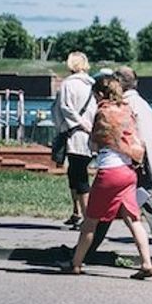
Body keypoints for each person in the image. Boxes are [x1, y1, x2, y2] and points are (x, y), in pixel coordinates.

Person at [64, 75, 152, 279]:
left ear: (99, 94)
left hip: (109, 172)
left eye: (95, 96)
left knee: (90, 221)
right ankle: (147, 263)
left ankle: (76, 264)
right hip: (128, 172)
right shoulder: (127, 110)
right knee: (134, 220)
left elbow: (95, 143)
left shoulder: (103, 112)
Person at [87, 67, 152, 271]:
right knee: (125, 209)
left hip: (135, 163)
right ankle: (88, 249)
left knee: (111, 207)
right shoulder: (143, 104)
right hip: (148, 161)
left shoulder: (125, 106)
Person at [51, 51, 95, 230]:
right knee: (78, 173)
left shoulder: (68, 85)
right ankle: (78, 213)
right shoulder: (93, 84)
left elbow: (63, 108)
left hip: (74, 134)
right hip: (90, 136)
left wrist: (75, 123)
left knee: (78, 177)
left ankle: (86, 217)